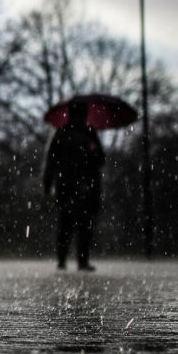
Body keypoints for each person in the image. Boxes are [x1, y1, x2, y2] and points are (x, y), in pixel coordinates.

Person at [42, 100, 105, 271]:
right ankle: (81, 261)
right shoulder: (89, 133)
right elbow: (101, 160)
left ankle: (62, 260)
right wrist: (93, 150)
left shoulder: (61, 133)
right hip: (86, 185)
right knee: (84, 225)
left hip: (66, 185)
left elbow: (51, 161)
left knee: (65, 224)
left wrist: (48, 184)